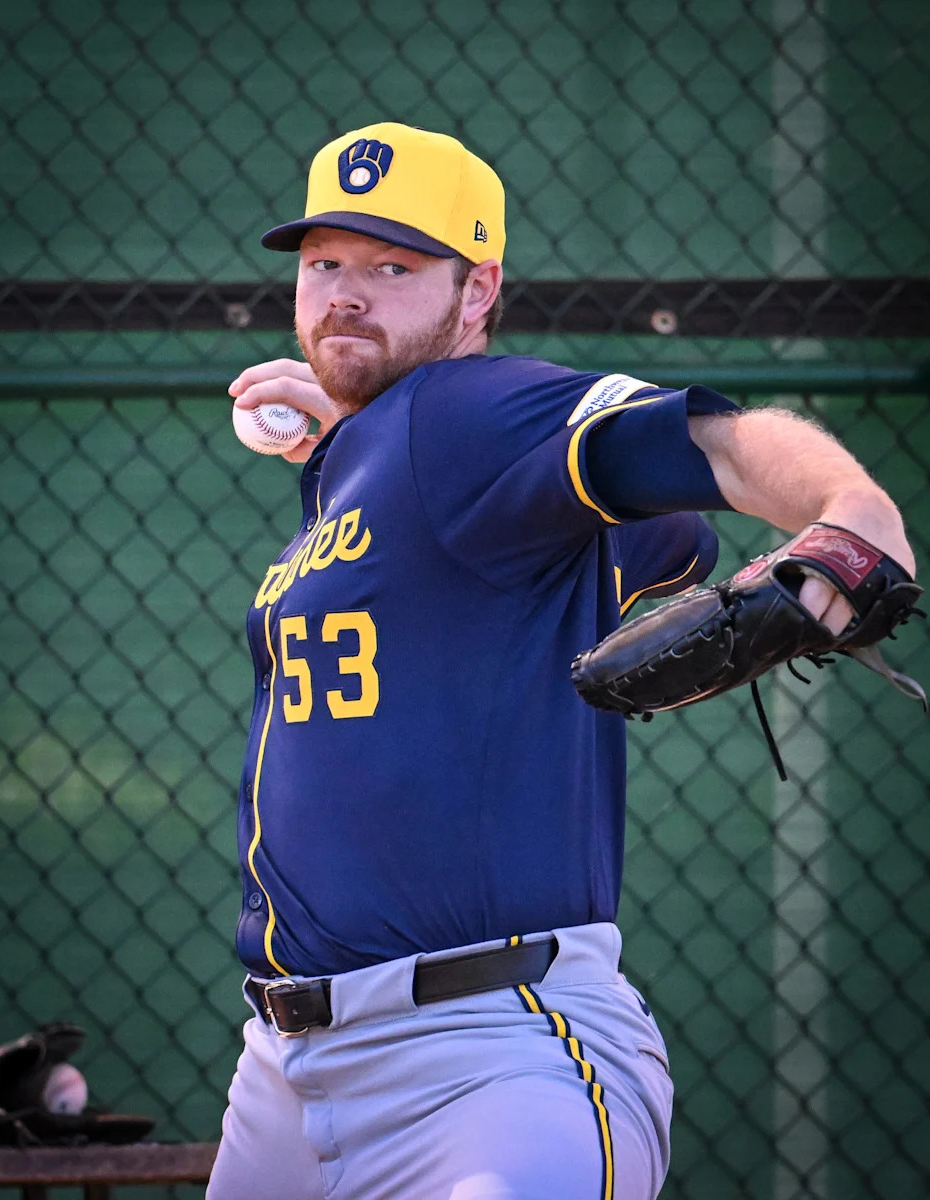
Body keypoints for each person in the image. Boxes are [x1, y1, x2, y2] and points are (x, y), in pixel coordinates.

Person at [206, 123, 914, 1200]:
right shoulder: (389, 461)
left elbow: (711, 444)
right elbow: (629, 544)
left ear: (477, 289)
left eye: (394, 267)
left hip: (484, 1059)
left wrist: (852, 512)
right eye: (323, 263)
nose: (346, 293)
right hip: (283, 1077)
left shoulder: (468, 410)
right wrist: (346, 443)